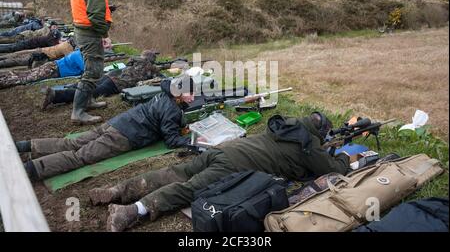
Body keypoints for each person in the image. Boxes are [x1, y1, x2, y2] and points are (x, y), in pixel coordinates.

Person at [86, 112, 350, 232]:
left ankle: (117, 190)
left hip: (225, 150)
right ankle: (131, 211)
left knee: (175, 172)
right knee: (190, 189)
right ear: (322, 132)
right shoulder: (310, 145)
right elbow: (332, 168)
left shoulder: (288, 124)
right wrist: (339, 155)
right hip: (234, 166)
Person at [16, 76, 195, 181]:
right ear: (178, 94)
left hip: (117, 123)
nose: (193, 97)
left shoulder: (165, 95)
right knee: (80, 157)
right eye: (190, 92)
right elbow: (171, 140)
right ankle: (31, 169)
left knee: (72, 142)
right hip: (124, 136)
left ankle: (26, 146)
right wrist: (193, 139)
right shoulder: (172, 109)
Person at [70, 0, 113, 125]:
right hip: (90, 33)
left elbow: (84, 6)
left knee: (90, 67)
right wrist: (105, 34)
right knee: (93, 71)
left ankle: (87, 102)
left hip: (81, 30)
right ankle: (78, 112)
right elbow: (95, 16)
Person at [41, 50, 161, 109]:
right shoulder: (152, 68)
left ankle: (70, 87)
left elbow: (130, 61)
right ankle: (56, 95)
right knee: (92, 93)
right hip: (118, 84)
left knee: (89, 86)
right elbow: (161, 79)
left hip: (110, 75)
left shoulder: (134, 60)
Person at [0, 49, 84, 90]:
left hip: (52, 67)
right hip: (53, 69)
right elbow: (88, 70)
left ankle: (4, 77)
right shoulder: (78, 55)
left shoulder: (78, 53)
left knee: (25, 74)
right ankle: (3, 82)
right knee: (26, 79)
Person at [0, 37, 75, 69]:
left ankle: (2, 58)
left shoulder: (66, 43)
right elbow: (70, 61)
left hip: (40, 50)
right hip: (41, 56)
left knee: (17, 54)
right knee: (17, 60)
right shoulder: (68, 48)